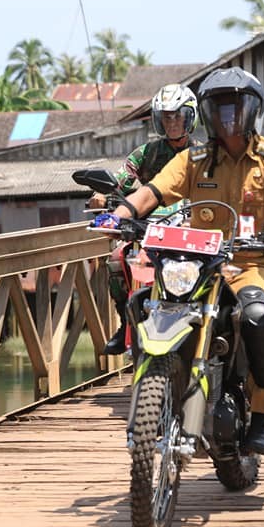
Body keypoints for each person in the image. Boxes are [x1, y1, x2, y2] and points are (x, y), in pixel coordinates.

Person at [92, 67, 264, 456]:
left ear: (253, 109)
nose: (228, 116)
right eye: (220, 108)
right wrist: (118, 216)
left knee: (259, 317)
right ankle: (156, 393)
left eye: (236, 107)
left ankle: (263, 414)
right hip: (198, 263)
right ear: (206, 113)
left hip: (250, 262)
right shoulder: (195, 157)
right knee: (142, 305)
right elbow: (153, 192)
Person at [90, 83, 200, 355]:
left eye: (177, 116)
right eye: (166, 117)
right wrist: (101, 194)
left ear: (190, 117)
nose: (172, 122)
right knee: (117, 260)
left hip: (192, 230)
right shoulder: (147, 153)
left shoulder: (204, 153)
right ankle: (125, 322)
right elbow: (121, 178)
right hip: (151, 230)